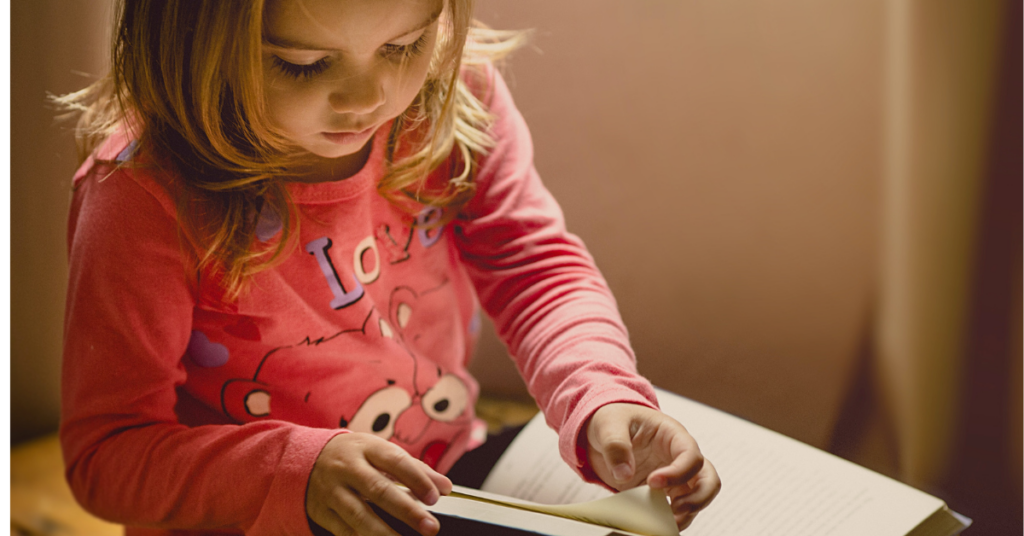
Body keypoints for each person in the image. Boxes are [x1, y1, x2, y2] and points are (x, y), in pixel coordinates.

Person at [56, 1, 721, 535]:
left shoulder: (452, 101)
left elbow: (535, 268)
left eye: (403, 47)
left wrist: (600, 392)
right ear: (186, 35)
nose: (367, 98)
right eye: (304, 64)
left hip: (445, 479)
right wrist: (295, 472)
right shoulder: (141, 196)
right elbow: (107, 456)